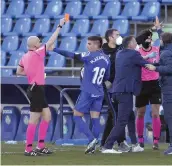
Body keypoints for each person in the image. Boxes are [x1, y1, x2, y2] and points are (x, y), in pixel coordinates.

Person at [51, 36, 111, 154]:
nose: (87, 46)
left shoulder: (89, 56)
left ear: (95, 45)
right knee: (95, 118)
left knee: (77, 116)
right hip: (99, 92)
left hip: (88, 91)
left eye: (89, 44)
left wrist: (54, 49)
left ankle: (91, 139)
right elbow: (107, 77)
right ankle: (92, 146)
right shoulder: (107, 59)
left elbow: (71, 54)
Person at [16, 18, 66, 156]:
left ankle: (41, 146)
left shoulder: (24, 56)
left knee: (47, 116)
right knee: (34, 119)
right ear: (33, 45)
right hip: (36, 89)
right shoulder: (37, 53)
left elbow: (18, 72)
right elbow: (50, 42)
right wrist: (59, 26)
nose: (40, 43)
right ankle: (28, 149)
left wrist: (33, 73)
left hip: (36, 88)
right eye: (38, 41)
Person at [102, 36, 150, 154]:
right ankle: (107, 146)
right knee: (122, 121)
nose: (136, 43)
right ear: (130, 44)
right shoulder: (134, 54)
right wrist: (158, 65)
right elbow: (146, 65)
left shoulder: (120, 53)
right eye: (135, 41)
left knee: (130, 117)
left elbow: (134, 62)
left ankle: (135, 144)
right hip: (125, 92)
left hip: (116, 91)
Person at [146, 32, 172, 155]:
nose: (160, 41)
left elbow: (170, 68)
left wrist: (155, 68)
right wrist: (154, 64)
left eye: (161, 39)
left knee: (169, 117)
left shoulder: (167, 53)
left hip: (170, 88)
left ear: (164, 41)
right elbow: (169, 64)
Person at [100, 29, 130, 152]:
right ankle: (119, 142)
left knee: (114, 114)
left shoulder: (121, 49)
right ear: (110, 37)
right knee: (115, 114)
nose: (119, 36)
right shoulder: (103, 52)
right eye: (117, 35)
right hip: (107, 86)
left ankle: (107, 142)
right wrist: (105, 81)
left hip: (119, 86)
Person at [135, 29, 161, 150]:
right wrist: (146, 57)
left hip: (155, 84)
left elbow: (164, 42)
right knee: (140, 113)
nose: (149, 40)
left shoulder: (157, 50)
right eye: (147, 38)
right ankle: (140, 139)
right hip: (141, 84)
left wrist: (159, 30)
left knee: (156, 113)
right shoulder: (137, 52)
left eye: (151, 38)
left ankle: (156, 141)